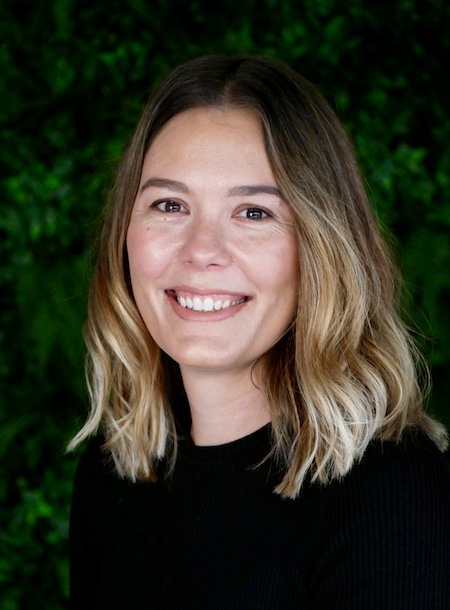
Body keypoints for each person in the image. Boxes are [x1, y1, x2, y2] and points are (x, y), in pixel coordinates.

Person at [68, 54, 450, 609]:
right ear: (124, 234)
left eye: (253, 213)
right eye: (170, 205)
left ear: (321, 247)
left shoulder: (390, 490)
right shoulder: (113, 474)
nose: (202, 251)